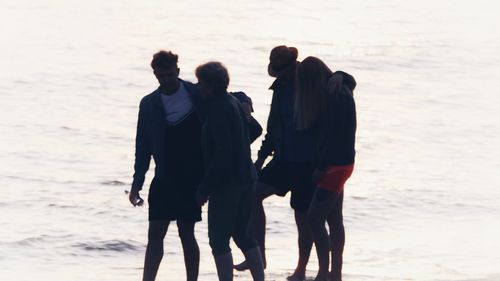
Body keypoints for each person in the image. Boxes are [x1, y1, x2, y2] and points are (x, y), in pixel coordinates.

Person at [235, 45, 315, 281]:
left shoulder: (310, 82)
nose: (279, 75)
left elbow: (342, 83)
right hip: (282, 159)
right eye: (277, 71)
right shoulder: (280, 87)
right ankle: (258, 255)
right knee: (251, 194)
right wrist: (260, 158)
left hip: (307, 162)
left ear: (294, 65)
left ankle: (301, 269)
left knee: (303, 216)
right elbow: (273, 127)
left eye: (282, 70)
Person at [129, 50, 204, 281]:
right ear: (155, 75)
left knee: (186, 233)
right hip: (163, 178)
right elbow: (142, 146)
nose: (166, 80)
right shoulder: (149, 104)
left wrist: (243, 101)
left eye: (169, 74)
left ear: (178, 71)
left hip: (192, 178)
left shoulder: (196, 94)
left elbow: (224, 98)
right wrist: (136, 184)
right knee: (155, 235)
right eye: (160, 76)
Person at [194, 61, 265, 281]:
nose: (198, 87)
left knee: (218, 239)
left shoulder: (218, 108)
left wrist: (204, 187)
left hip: (228, 183)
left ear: (211, 85)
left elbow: (222, 152)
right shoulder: (233, 102)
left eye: (201, 83)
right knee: (243, 235)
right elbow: (254, 129)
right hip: (246, 178)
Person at [295, 56, 357, 281]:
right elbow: (352, 81)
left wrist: (322, 166)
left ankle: (324, 272)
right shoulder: (341, 90)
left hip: (334, 166)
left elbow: (333, 137)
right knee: (334, 219)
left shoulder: (332, 98)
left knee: (314, 218)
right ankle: (335, 273)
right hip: (344, 162)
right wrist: (341, 75)